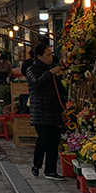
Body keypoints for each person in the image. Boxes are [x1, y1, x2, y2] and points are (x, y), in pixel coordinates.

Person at [26, 43, 67, 180]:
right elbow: (36, 83)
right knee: (43, 139)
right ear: (39, 56)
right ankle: (36, 164)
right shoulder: (32, 69)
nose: (51, 57)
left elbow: (59, 91)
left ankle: (51, 170)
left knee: (54, 140)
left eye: (51, 54)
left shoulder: (52, 69)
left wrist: (63, 109)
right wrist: (49, 73)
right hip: (41, 110)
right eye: (48, 55)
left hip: (54, 110)